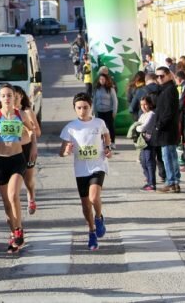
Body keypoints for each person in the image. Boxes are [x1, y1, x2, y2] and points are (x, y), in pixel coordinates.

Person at [0, 84, 34, 253]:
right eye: (3, 96)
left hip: (17, 160)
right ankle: (14, 234)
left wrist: (26, 137)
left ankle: (18, 230)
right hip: (0, 163)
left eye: (9, 95)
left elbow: (33, 131)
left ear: (13, 97)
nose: (7, 98)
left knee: (13, 195)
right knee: (7, 204)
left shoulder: (21, 114)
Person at [59, 92, 111, 250]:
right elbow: (61, 152)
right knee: (85, 205)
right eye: (79, 108)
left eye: (85, 107)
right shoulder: (70, 127)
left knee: (94, 197)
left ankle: (99, 217)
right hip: (81, 170)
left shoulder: (99, 123)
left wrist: (107, 147)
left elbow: (106, 135)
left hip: (98, 165)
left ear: (91, 107)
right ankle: (92, 232)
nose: (83, 110)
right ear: (74, 109)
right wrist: (66, 151)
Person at [154, 67, 182, 193]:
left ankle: (171, 181)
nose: (159, 78)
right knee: (171, 155)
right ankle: (174, 181)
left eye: (162, 76)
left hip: (167, 129)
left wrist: (159, 125)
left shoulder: (170, 90)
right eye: (157, 76)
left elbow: (169, 111)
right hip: (168, 128)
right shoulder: (164, 89)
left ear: (169, 75)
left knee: (168, 156)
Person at [15, 86, 42, 214]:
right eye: (11, 96)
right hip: (12, 150)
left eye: (17, 96)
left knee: (28, 179)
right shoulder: (4, 113)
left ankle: (31, 197)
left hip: (27, 148)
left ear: (21, 97)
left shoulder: (27, 111)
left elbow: (38, 131)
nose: (14, 98)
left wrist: (29, 129)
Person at [137, 96, 158, 191]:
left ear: (150, 104)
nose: (143, 106)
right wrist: (138, 127)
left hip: (150, 140)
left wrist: (138, 127)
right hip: (143, 141)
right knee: (143, 161)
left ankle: (152, 183)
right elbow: (138, 125)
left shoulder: (151, 114)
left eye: (145, 104)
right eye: (141, 104)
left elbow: (142, 127)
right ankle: (148, 180)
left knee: (149, 161)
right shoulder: (142, 115)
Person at [93, 73, 118, 149]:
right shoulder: (96, 89)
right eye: (100, 79)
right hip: (99, 111)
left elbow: (115, 101)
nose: (102, 81)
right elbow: (94, 100)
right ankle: (102, 143)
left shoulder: (111, 89)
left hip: (108, 111)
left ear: (106, 80)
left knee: (110, 127)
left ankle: (112, 142)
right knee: (100, 128)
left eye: (103, 79)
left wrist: (114, 111)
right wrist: (94, 111)